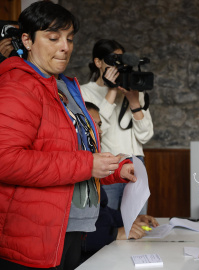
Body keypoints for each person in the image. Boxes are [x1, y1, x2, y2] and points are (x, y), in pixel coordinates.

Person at [0, 2, 136, 269]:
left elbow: (69, 155)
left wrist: (112, 170)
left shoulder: (62, 87)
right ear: (27, 40)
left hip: (71, 228)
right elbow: (6, 160)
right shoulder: (19, 86)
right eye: (53, 38)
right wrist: (88, 164)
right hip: (35, 235)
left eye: (70, 38)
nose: (65, 46)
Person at [81, 39, 154, 215]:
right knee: (108, 222)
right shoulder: (84, 92)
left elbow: (145, 135)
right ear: (98, 62)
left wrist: (134, 101)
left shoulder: (133, 90)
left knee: (136, 221)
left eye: (121, 60)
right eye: (113, 61)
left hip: (136, 162)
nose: (118, 65)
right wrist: (112, 91)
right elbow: (93, 133)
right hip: (108, 164)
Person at [81, 102, 159, 263]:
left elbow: (101, 211)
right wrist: (115, 234)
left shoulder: (90, 166)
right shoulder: (75, 168)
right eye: (94, 124)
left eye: (100, 124)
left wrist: (129, 220)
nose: (100, 130)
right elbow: (77, 229)